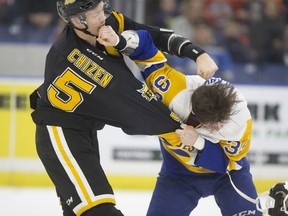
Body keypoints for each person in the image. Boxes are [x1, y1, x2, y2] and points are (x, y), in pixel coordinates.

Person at [29, 0, 218, 216]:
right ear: (75, 20)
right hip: (59, 133)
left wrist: (198, 53)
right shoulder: (74, 57)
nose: (103, 16)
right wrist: (183, 126)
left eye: (102, 8)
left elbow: (154, 36)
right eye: (95, 13)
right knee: (100, 210)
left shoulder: (108, 24)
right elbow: (134, 107)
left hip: (83, 130)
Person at [111, 29, 261, 216]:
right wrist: (119, 39)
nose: (218, 127)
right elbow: (147, 48)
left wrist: (198, 141)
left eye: (220, 123)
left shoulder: (240, 119)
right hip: (179, 173)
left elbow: (227, 163)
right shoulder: (174, 92)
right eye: (212, 125)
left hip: (228, 176)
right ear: (194, 113)